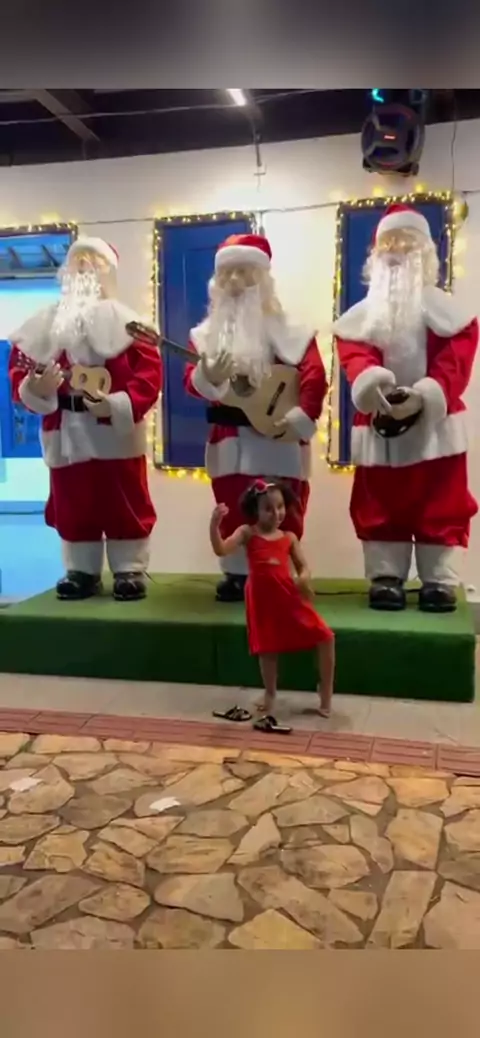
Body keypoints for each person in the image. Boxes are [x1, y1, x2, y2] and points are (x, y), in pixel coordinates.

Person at [333, 203, 478, 613]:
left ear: (424, 254)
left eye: (406, 245)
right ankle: (386, 575)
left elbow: (456, 359)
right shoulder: (360, 318)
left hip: (436, 429)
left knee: (441, 500)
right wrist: (370, 382)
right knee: (380, 501)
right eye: (389, 246)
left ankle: (439, 579)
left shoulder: (452, 314)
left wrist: (428, 393)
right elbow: (355, 353)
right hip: (380, 424)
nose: (396, 254)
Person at [8, 236, 162, 602]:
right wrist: (34, 386)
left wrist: (118, 404)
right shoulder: (44, 324)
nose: (84, 268)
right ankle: (81, 571)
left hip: (115, 432)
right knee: (73, 501)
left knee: (124, 498)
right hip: (66, 432)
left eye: (93, 262)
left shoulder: (131, 326)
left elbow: (148, 375)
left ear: (108, 272)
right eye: (78, 261)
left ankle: (129, 569)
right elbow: (19, 370)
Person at [185, 232, 328, 602]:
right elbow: (191, 383)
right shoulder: (204, 337)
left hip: (281, 437)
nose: (235, 282)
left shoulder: (294, 332)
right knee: (232, 502)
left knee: (285, 505)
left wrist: (302, 415)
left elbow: (313, 375)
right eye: (227, 275)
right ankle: (236, 574)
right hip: (231, 440)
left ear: (263, 278)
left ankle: (281, 570)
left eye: (244, 273)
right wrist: (208, 375)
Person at [210, 479, 335, 724]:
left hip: (287, 594)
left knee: (325, 636)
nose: (276, 513)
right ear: (255, 510)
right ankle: (270, 692)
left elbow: (303, 566)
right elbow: (221, 549)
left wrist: (303, 578)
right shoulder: (247, 532)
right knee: (267, 648)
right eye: (268, 508)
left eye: (280, 507)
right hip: (261, 597)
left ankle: (326, 691)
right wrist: (214, 525)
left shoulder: (289, 537)